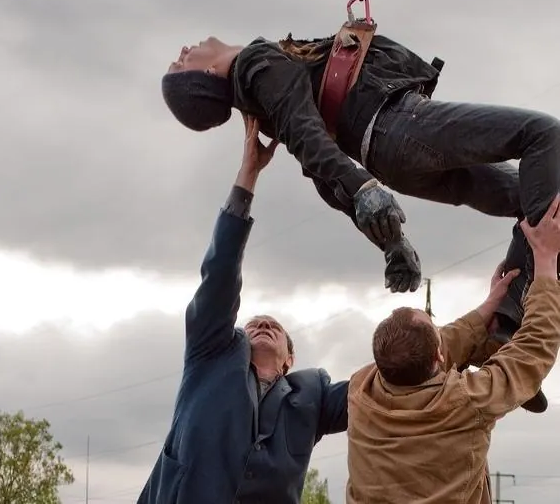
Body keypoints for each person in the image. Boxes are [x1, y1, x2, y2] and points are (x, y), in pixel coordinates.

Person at [160, 30, 560, 411]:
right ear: (207, 75)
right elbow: (309, 139)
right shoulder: (255, 64)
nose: (181, 52)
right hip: (396, 127)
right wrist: (365, 190)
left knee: (545, 201)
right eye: (179, 66)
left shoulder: (262, 96)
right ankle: (513, 315)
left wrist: (390, 239)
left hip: (392, 155)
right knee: (544, 134)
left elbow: (317, 159)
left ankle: (501, 332)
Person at [138, 115, 350, 504]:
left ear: (290, 360)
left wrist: (451, 343)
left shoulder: (313, 395)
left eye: (275, 327)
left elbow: (385, 382)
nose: (265, 322)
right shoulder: (212, 353)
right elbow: (219, 277)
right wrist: (248, 174)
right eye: (254, 323)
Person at [345, 195, 560, 504]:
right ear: (439, 357)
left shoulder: (361, 391)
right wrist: (546, 263)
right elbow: (534, 350)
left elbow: (427, 348)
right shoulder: (465, 401)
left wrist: (485, 310)